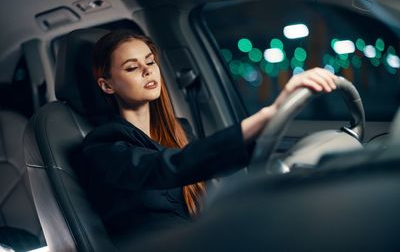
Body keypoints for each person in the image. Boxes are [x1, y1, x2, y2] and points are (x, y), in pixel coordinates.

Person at [82, 29, 338, 241]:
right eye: (131, 68)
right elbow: (171, 166)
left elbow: (206, 166)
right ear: (107, 85)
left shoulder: (179, 129)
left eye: (150, 62)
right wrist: (268, 114)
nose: (148, 71)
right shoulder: (103, 144)